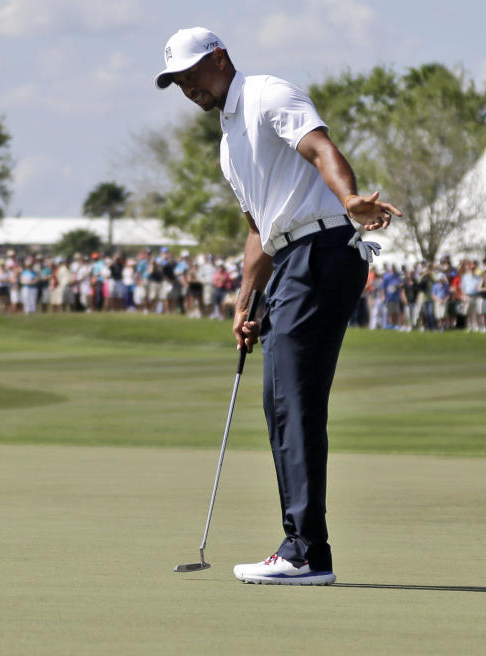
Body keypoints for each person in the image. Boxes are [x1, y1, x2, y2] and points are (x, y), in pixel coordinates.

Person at [156, 26, 401, 585]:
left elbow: (319, 148)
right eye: (177, 81)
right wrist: (247, 301)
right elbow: (258, 230)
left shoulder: (268, 94)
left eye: (192, 73)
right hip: (290, 259)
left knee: (293, 400)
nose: (187, 87)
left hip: (323, 247)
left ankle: (306, 552)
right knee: (280, 401)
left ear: (219, 58)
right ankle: (303, 546)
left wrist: (349, 198)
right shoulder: (227, 145)